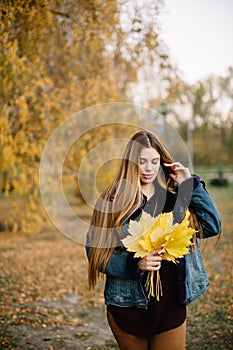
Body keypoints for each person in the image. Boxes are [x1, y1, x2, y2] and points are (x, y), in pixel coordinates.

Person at [86, 130, 221, 350]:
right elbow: (95, 252)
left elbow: (212, 225)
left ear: (162, 163)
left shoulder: (175, 199)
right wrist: (134, 264)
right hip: (128, 305)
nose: (149, 168)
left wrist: (190, 185)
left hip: (171, 307)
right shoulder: (113, 202)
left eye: (155, 161)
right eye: (142, 161)